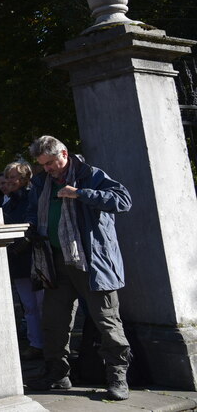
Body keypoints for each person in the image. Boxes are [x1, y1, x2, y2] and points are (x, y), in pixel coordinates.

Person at [25, 136, 132, 401]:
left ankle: (117, 377)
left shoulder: (90, 175)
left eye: (51, 162)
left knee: (107, 321)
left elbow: (123, 200)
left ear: (64, 153)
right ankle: (57, 374)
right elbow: (31, 213)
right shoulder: (41, 182)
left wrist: (80, 194)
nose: (48, 169)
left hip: (91, 261)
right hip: (54, 263)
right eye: (43, 165)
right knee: (53, 322)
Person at [0, 161, 43, 361]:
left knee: (42, 303)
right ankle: (35, 343)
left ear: (25, 179)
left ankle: (49, 343)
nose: (9, 181)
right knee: (28, 305)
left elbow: (33, 224)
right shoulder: (8, 202)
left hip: (34, 257)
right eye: (7, 177)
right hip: (17, 259)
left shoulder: (31, 197)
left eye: (13, 177)